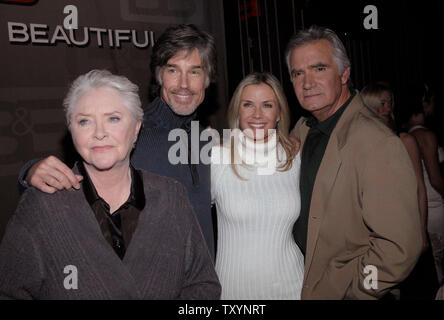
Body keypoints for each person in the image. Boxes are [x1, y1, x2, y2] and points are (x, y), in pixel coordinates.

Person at [0, 70, 221, 299]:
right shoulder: (42, 205)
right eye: (84, 121)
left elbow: (202, 285)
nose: (99, 133)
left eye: (113, 118)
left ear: (136, 127)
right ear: (72, 131)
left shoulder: (171, 196)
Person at [17, 24, 217, 258]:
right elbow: (84, 168)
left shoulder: (207, 139)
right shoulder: (132, 131)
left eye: (194, 71)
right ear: (159, 75)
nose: (184, 84)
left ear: (207, 79)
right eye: (173, 70)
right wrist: (31, 172)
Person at [286, 26, 422, 299]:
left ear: (345, 74)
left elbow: (399, 248)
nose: (307, 82)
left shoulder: (376, 142)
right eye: (298, 73)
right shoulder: (302, 128)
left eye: (319, 68)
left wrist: (355, 291)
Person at [211, 72, 304, 299]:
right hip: (234, 290)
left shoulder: (293, 157)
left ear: (279, 113)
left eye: (267, 105)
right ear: (237, 111)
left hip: (292, 286)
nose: (257, 114)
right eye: (248, 105)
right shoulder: (217, 157)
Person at [362, 83, 439, 299]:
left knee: (417, 290)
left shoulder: (405, 140)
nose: (387, 108)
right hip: (376, 236)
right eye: (381, 103)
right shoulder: (360, 145)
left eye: (390, 102)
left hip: (407, 230)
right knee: (379, 290)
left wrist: (422, 232)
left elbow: (420, 189)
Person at [404, 85, 444, 284]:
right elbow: (436, 180)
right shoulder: (426, 136)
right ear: (424, 104)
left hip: (418, 211)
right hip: (435, 209)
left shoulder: (401, 135)